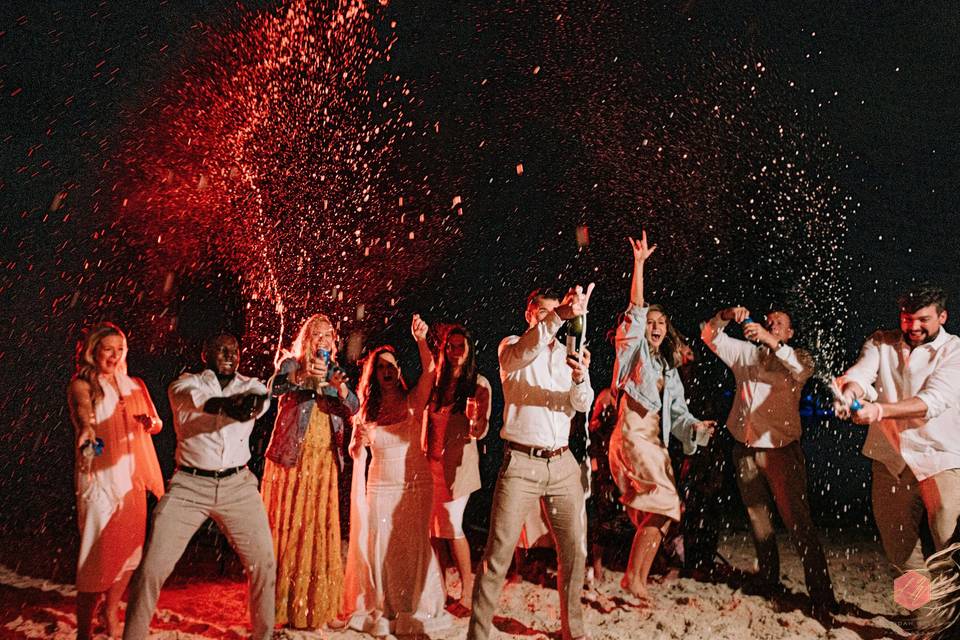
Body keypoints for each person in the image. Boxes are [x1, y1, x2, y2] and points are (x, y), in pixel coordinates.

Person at [124, 333, 275, 640]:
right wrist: (233, 404)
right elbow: (213, 405)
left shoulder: (253, 385)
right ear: (205, 354)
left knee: (264, 564)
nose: (230, 354)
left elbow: (252, 407)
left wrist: (272, 391)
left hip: (238, 486)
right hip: (189, 487)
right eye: (221, 349)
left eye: (234, 350)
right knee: (152, 569)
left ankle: (264, 636)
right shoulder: (184, 384)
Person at [468, 284, 594, 640]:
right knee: (498, 555)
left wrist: (580, 377)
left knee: (574, 551)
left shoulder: (568, 353)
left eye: (555, 312)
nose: (551, 319)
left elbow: (580, 404)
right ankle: (477, 635)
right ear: (530, 314)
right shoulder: (512, 346)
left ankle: (574, 631)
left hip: (563, 463)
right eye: (543, 312)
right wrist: (560, 316)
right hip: (522, 464)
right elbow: (525, 350)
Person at [701, 303, 835, 615]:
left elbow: (803, 370)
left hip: (782, 452)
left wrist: (770, 339)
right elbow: (709, 335)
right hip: (744, 450)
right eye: (769, 320)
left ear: (789, 332)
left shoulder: (799, 358)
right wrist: (724, 315)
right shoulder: (746, 354)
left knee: (798, 523)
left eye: (778, 323)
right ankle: (769, 581)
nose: (771, 324)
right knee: (760, 523)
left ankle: (821, 594)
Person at [608, 232, 715, 602]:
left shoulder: (668, 368)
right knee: (666, 504)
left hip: (655, 445)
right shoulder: (634, 355)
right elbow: (634, 311)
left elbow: (679, 414)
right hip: (632, 438)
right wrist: (639, 265)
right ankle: (633, 581)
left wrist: (697, 427)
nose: (655, 326)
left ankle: (634, 579)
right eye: (651, 322)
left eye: (661, 323)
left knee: (661, 514)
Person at [835, 284, 960, 572]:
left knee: (948, 552)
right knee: (899, 555)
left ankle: (951, 616)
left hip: (940, 459)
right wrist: (851, 393)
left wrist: (878, 410)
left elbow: (933, 401)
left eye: (923, 319)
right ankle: (919, 616)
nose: (913, 326)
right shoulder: (881, 342)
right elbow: (861, 375)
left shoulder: (954, 351)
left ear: (942, 317)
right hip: (889, 460)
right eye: (907, 318)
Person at [342, 315, 452, 636]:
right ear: (373, 374)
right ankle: (387, 606)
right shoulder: (365, 412)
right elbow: (355, 451)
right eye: (381, 367)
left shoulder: (412, 402)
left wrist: (421, 340)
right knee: (382, 544)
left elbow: (431, 372)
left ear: (399, 372)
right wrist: (357, 443)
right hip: (379, 485)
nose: (387, 371)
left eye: (391, 366)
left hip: (414, 484)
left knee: (412, 543)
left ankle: (415, 603)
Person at [261, 314, 359, 630]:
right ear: (307, 339)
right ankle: (280, 608)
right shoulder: (291, 363)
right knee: (291, 527)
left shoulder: (336, 372)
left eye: (329, 335)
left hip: (324, 463)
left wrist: (339, 390)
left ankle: (315, 607)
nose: (324, 341)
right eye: (317, 335)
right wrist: (303, 377)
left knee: (318, 527)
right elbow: (273, 388)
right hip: (293, 459)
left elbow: (354, 406)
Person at [67, 322, 164, 640]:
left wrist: (150, 422)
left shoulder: (134, 384)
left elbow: (157, 424)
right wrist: (88, 433)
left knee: (130, 551)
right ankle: (84, 629)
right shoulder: (84, 384)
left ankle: (110, 613)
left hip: (131, 477)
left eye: (120, 349)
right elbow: (85, 417)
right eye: (108, 348)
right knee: (97, 553)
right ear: (93, 350)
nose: (115, 355)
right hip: (99, 478)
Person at [426, 325, 492, 615]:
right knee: (433, 530)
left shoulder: (478, 384)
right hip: (432, 464)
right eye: (450, 347)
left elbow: (483, 427)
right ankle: (438, 590)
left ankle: (467, 590)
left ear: (469, 350)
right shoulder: (437, 383)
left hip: (459, 465)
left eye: (460, 347)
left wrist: (476, 424)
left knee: (452, 526)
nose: (455, 352)